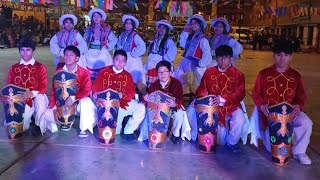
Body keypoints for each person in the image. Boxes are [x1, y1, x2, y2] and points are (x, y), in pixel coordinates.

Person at [250, 40, 313, 165]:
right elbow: (256, 93)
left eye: (286, 55)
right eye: (279, 55)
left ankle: (299, 151)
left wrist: (299, 106)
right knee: (271, 147)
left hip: (290, 114)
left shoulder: (295, 76)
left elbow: (301, 96)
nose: (282, 58)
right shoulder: (264, 74)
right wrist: (262, 105)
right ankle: (286, 138)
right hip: (270, 116)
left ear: (291, 57)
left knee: (306, 123)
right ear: (273, 56)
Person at [187, 45, 249, 153]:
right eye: (220, 58)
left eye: (226, 57)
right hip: (211, 105)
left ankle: (232, 142)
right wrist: (201, 100)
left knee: (240, 119)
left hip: (230, 105)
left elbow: (240, 94)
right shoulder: (209, 72)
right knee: (191, 110)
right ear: (216, 59)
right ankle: (196, 136)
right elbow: (202, 89)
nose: (223, 61)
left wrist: (223, 99)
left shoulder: (238, 75)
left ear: (231, 58)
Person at [40, 46, 96, 137]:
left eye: (71, 55)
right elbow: (53, 92)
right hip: (61, 105)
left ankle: (84, 128)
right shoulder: (58, 73)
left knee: (87, 101)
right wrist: (54, 108)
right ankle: (64, 121)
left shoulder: (84, 72)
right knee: (45, 116)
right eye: (66, 55)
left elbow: (87, 90)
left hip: (78, 105)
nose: (68, 57)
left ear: (77, 58)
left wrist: (73, 98)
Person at [92, 50, 146, 142]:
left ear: (125, 62)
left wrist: (123, 95)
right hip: (106, 105)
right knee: (113, 133)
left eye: (123, 60)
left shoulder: (127, 76)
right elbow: (95, 89)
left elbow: (131, 92)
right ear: (113, 60)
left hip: (122, 104)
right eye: (117, 59)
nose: (120, 62)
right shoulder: (104, 72)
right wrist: (98, 95)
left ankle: (128, 130)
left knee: (141, 108)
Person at [4, 38, 49, 136]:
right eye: (22, 50)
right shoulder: (14, 68)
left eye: (28, 50)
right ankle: (29, 119)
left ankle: (38, 124)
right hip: (20, 100)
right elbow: (9, 86)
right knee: (18, 129)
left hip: (36, 96)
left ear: (33, 51)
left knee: (41, 100)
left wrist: (32, 94)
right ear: (19, 51)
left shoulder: (40, 67)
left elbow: (44, 86)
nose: (25, 53)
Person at [140, 61, 191, 144]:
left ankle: (175, 134)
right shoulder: (154, 85)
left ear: (170, 73)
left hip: (170, 111)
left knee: (179, 114)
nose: (162, 74)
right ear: (157, 74)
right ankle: (150, 134)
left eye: (165, 72)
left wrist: (175, 104)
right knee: (147, 113)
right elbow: (149, 97)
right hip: (158, 111)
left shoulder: (176, 83)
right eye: (160, 72)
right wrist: (146, 98)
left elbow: (179, 98)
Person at [173, 14, 212, 95]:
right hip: (186, 63)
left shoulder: (203, 38)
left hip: (196, 65)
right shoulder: (190, 37)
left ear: (200, 24)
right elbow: (183, 44)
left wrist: (201, 63)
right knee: (183, 83)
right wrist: (185, 31)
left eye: (195, 23)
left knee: (196, 86)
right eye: (192, 23)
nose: (193, 25)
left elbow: (207, 54)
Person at [81, 8, 118, 80]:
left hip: (102, 52)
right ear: (92, 18)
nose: (96, 18)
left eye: (98, 16)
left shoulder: (106, 29)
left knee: (103, 74)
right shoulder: (89, 29)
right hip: (90, 52)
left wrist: (107, 46)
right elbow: (84, 40)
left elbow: (114, 40)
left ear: (101, 18)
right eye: (94, 16)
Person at [116, 14, 146, 92]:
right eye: (126, 23)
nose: (128, 25)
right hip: (123, 58)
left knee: (134, 77)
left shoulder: (135, 35)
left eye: (130, 24)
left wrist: (134, 53)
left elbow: (142, 46)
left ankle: (135, 94)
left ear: (133, 25)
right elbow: (118, 45)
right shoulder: (122, 35)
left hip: (132, 60)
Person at [145, 20, 177, 88]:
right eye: (160, 27)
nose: (161, 29)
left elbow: (172, 52)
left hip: (162, 64)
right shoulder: (155, 39)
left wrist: (162, 59)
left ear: (167, 30)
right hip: (152, 65)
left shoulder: (169, 40)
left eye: (163, 28)